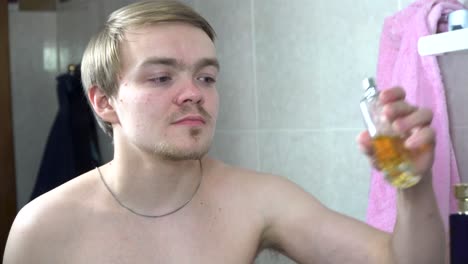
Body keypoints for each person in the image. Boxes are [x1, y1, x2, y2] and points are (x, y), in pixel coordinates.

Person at [3, 1, 444, 263]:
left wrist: (412, 184)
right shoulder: (43, 228)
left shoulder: (257, 198)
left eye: (206, 77)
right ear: (104, 101)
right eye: (161, 78)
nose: (192, 93)